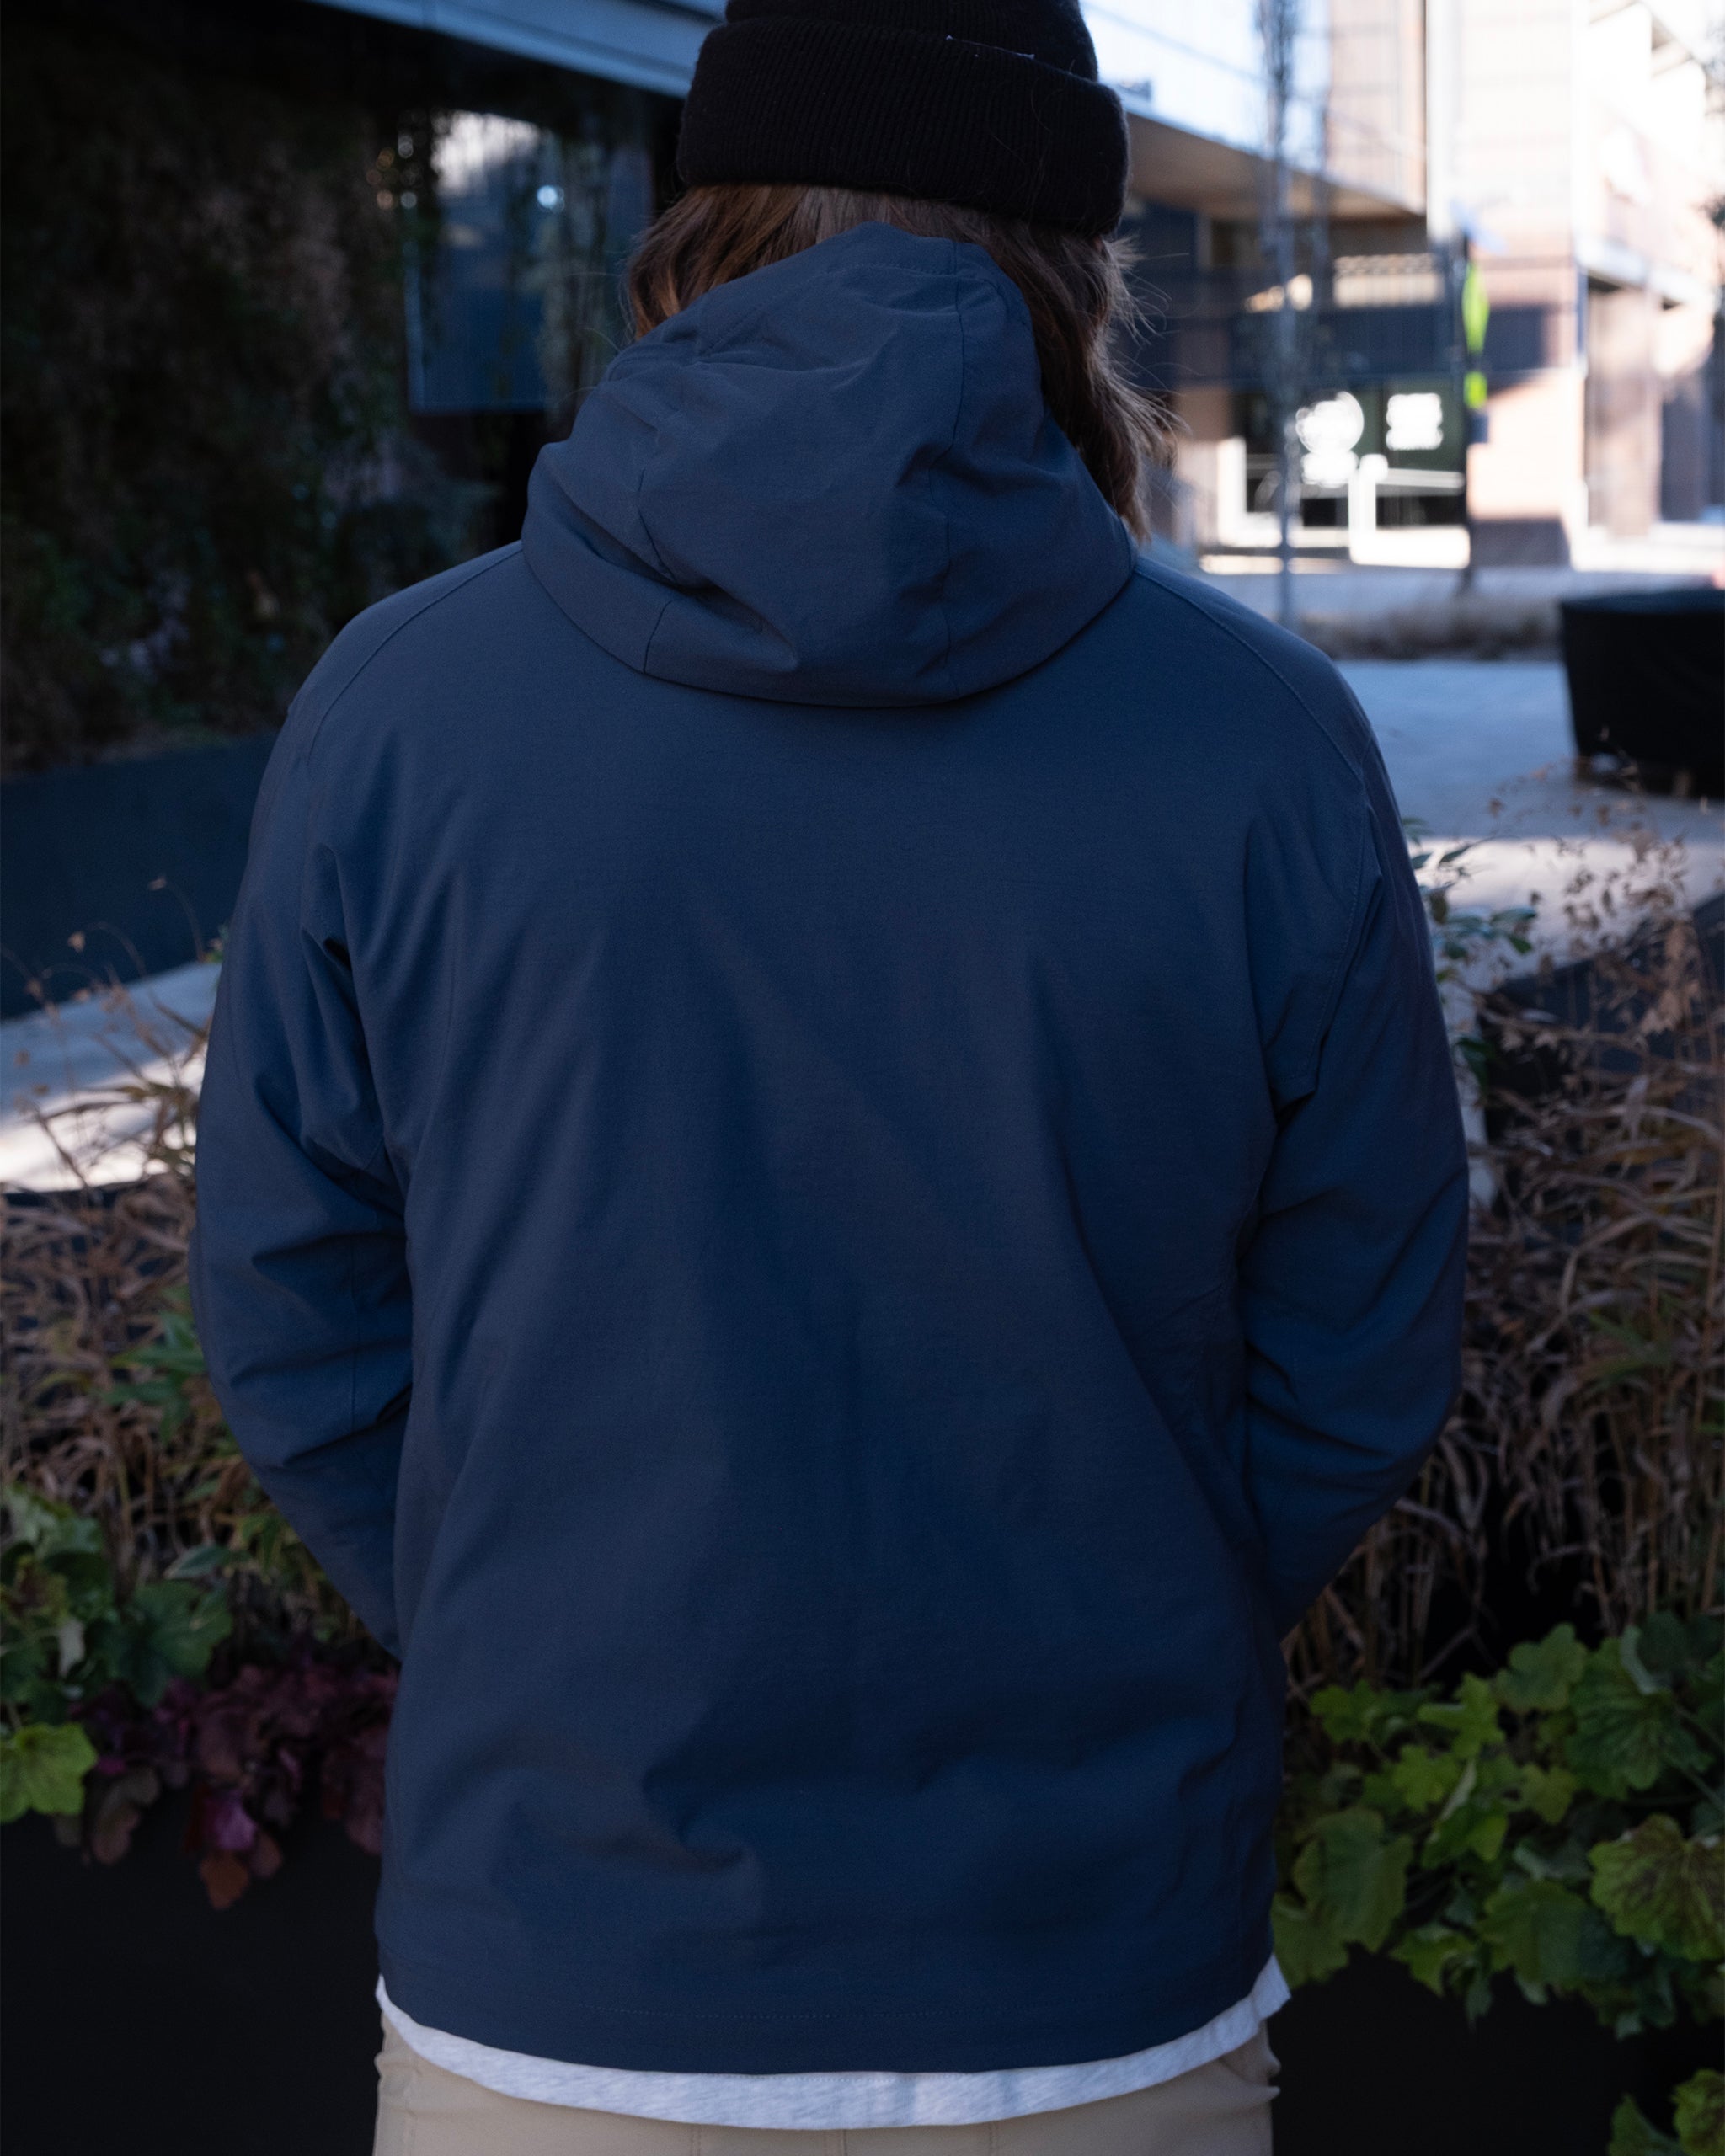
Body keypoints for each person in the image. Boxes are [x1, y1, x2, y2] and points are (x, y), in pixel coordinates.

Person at [189, 3, 1470, 2149]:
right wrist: (1116, 1595)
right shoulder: (1259, 739)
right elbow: (1360, 1335)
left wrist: (537, 1614)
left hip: (562, 1979)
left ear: (690, 235)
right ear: (1076, 275)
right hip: (1097, 1982)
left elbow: (293, 1304)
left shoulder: (401, 708)